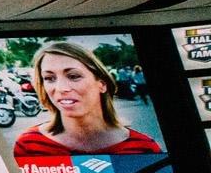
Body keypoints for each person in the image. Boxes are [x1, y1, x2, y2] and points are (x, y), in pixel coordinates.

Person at [11, 42, 162, 162]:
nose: (61, 88)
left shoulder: (144, 147)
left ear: (101, 84)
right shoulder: (28, 145)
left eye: (73, 76)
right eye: (50, 78)